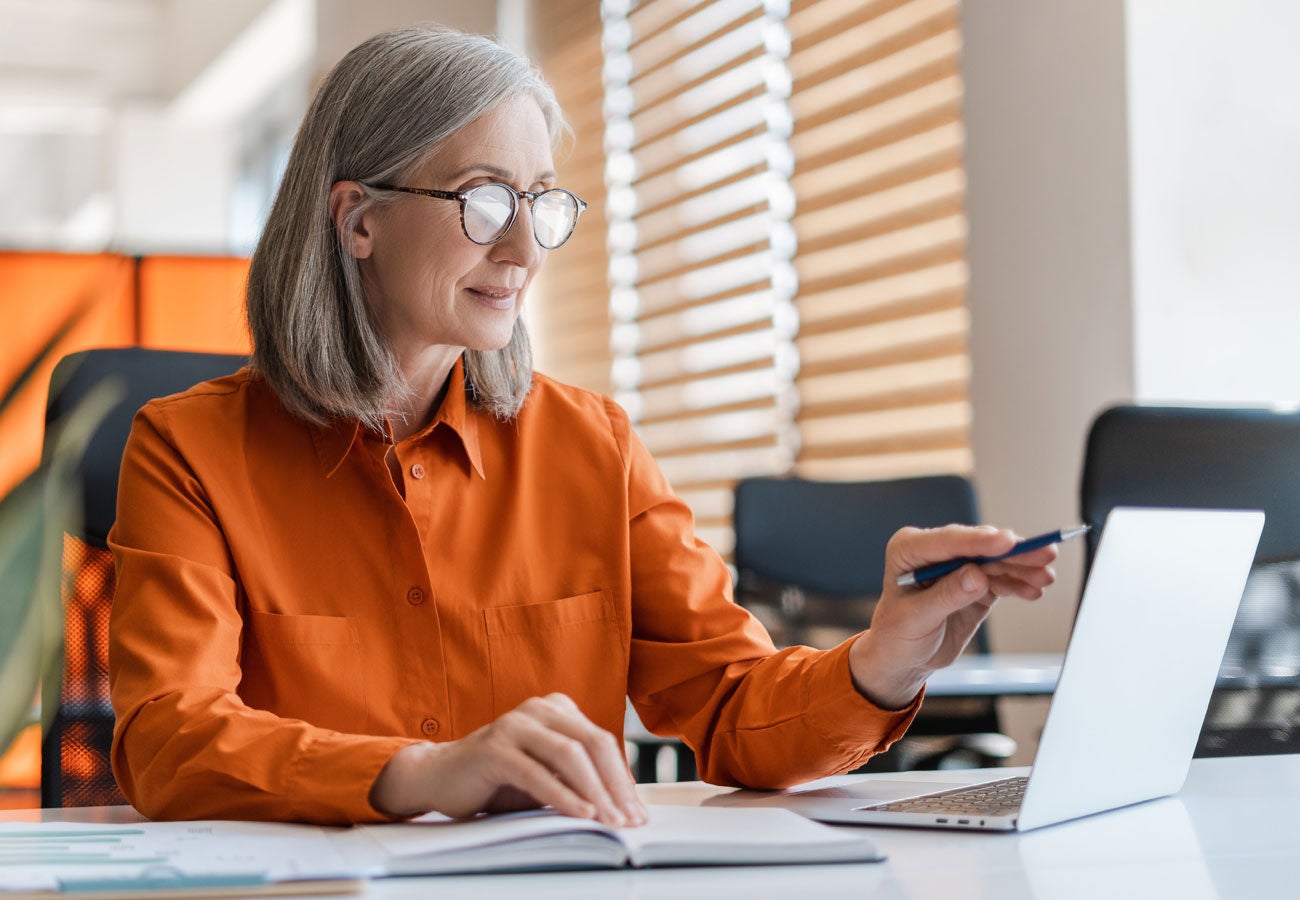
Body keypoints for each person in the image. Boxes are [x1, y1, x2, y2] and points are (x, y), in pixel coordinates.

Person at [107, 25, 1056, 827]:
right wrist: (416, 774)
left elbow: (731, 707)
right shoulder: (188, 451)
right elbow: (167, 735)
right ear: (358, 220)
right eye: (483, 200)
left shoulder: (590, 446)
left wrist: (883, 661)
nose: (523, 250)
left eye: (540, 203)